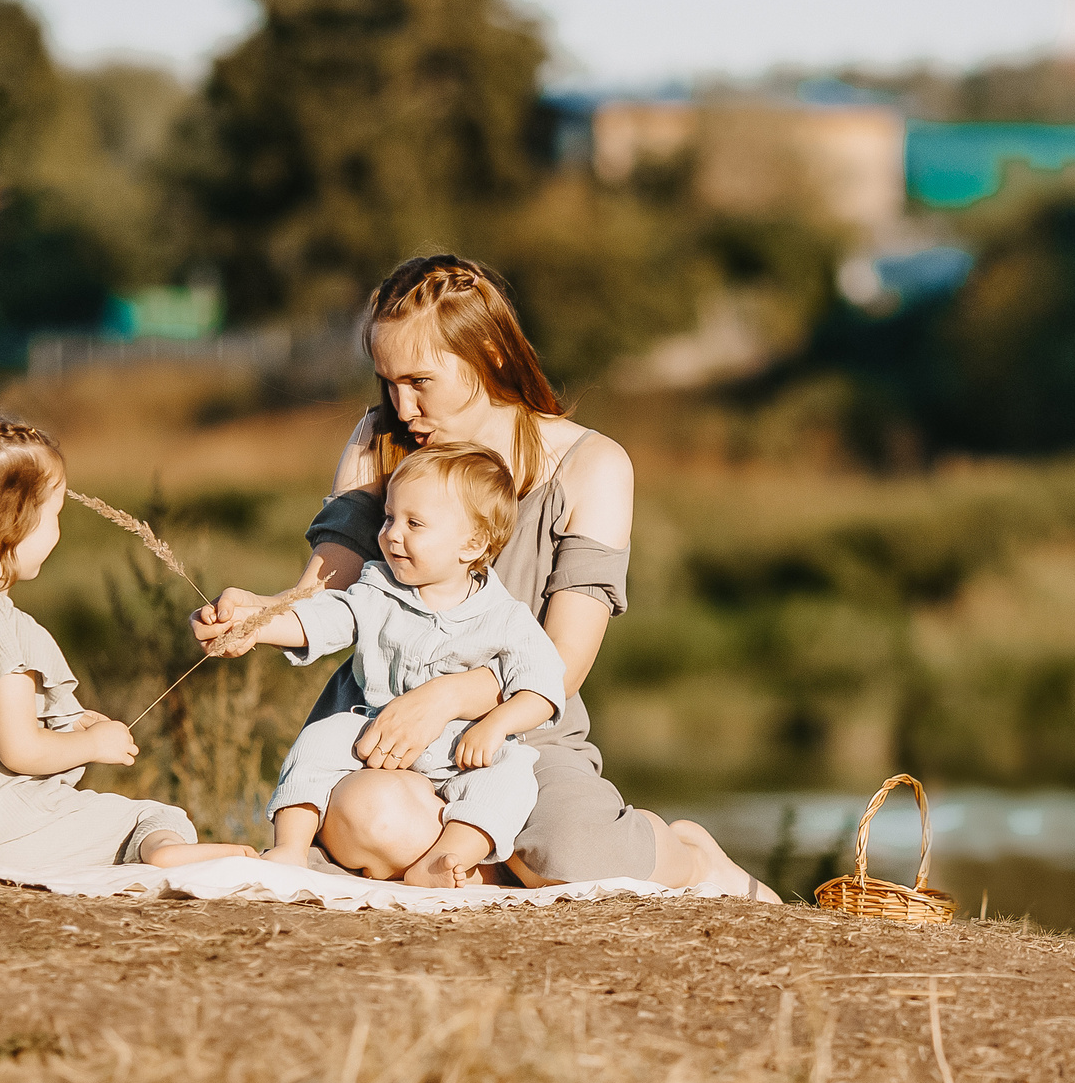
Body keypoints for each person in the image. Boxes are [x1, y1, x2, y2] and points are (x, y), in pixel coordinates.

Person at [193, 255, 771, 899]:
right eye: (388, 382)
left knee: (569, 854)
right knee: (366, 818)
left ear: (490, 352)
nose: (401, 405)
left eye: (420, 381)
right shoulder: (377, 439)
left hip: (520, 731)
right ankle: (488, 863)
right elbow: (327, 590)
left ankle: (690, 855)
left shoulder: (592, 464)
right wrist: (260, 615)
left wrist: (446, 698)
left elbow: (563, 663)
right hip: (379, 722)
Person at [0, 405, 259, 871]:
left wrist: (71, 726)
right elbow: (20, 750)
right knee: (148, 815)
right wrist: (95, 746)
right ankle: (163, 850)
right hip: (4, 832)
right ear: (8, 532)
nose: (59, 530)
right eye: (53, 515)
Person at [240, 442, 567, 886]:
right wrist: (258, 626)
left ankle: (449, 857)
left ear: (472, 543)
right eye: (390, 518)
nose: (392, 534)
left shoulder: (507, 618)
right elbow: (326, 618)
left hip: (461, 748)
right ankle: (291, 846)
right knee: (319, 739)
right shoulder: (377, 589)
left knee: (511, 779)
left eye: (414, 524)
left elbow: (543, 688)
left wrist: (495, 726)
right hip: (376, 731)